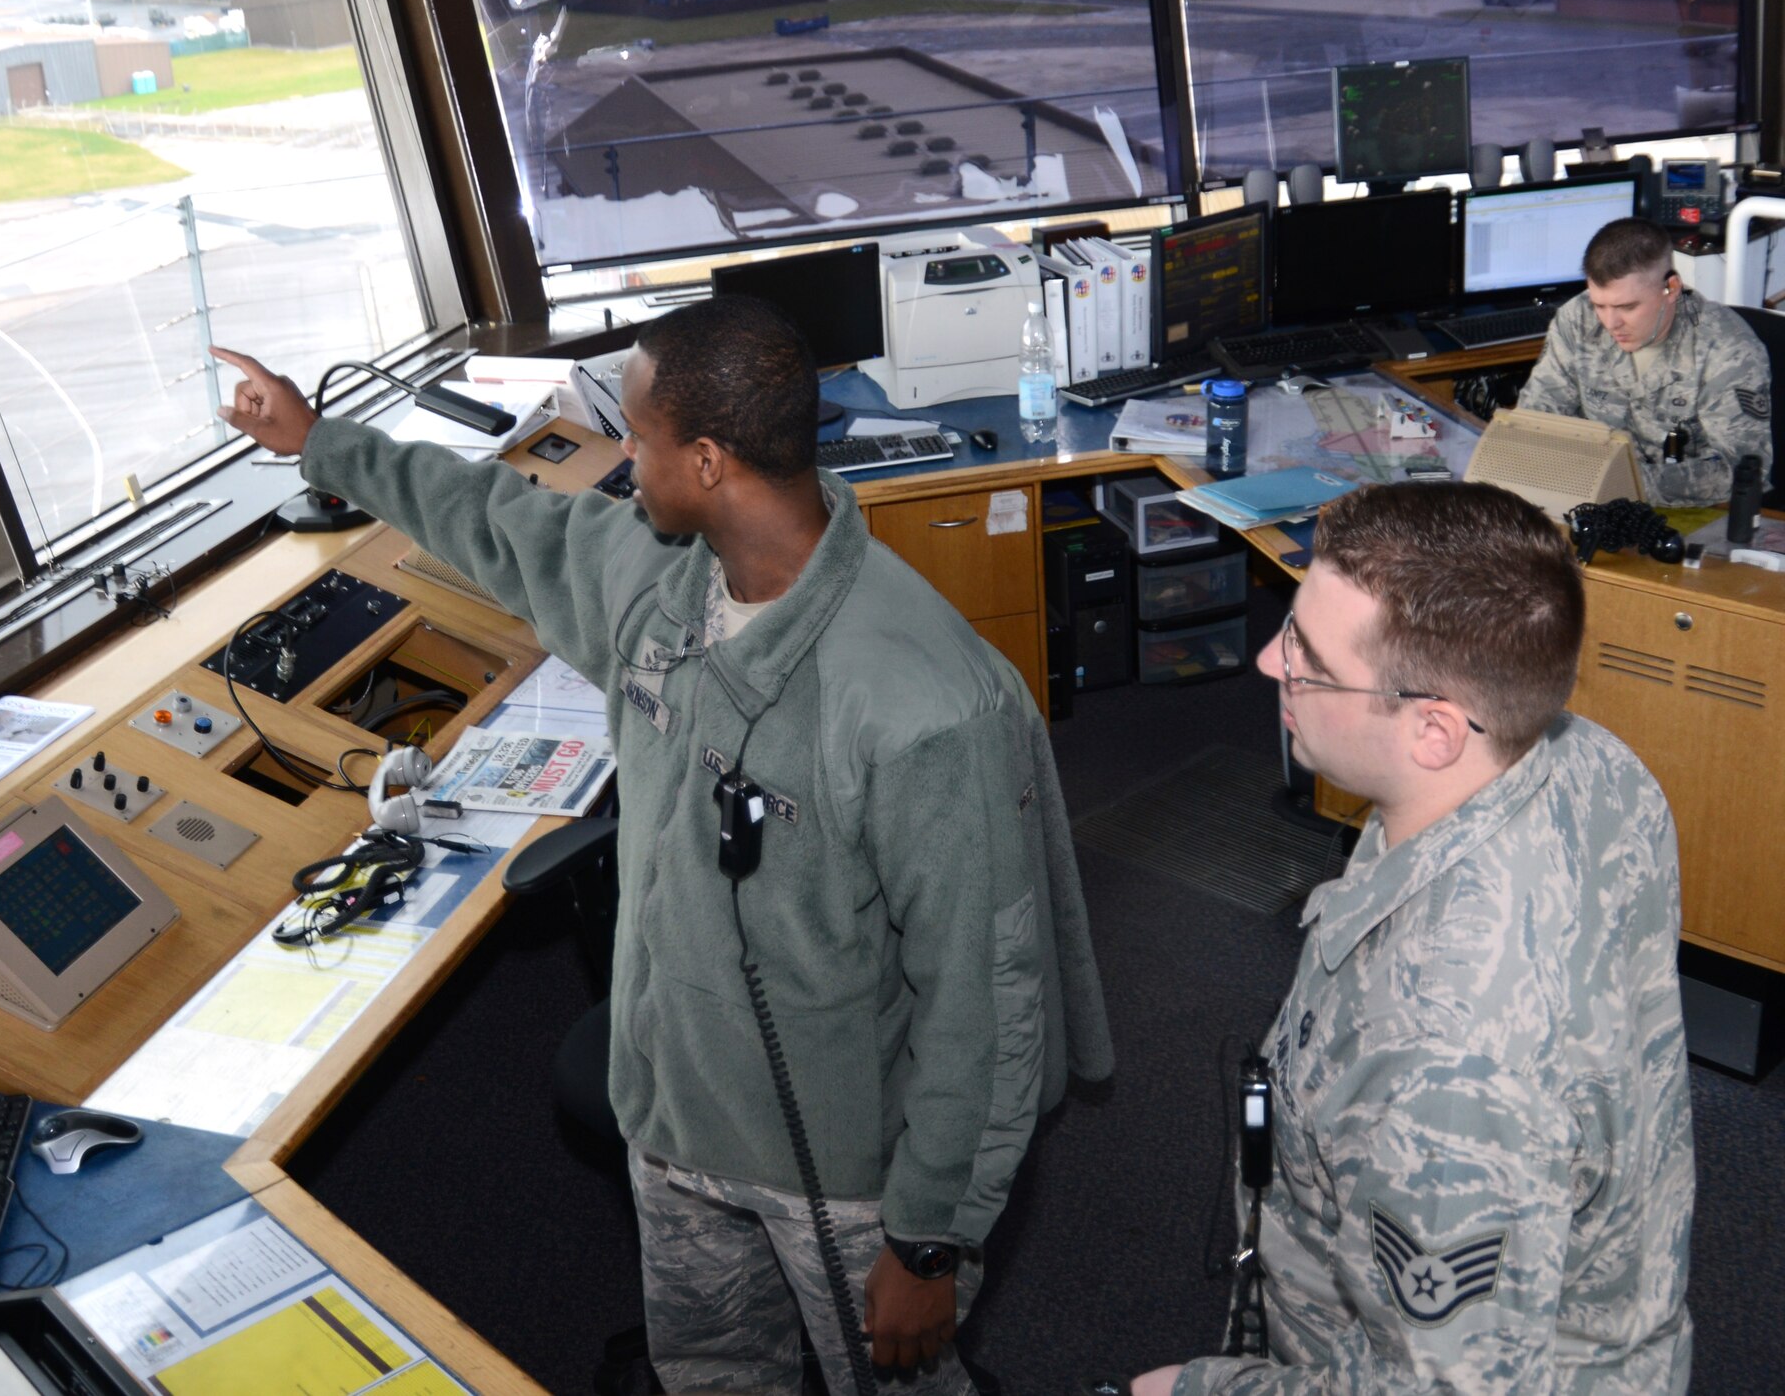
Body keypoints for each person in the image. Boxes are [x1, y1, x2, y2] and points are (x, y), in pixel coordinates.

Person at [212, 298, 1113, 1394]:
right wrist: (318, 441)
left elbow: (985, 996)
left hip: (842, 1168)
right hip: (672, 1113)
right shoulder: (662, 584)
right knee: (713, 1376)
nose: (622, 462)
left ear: (704, 459)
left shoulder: (922, 702)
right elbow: (496, 517)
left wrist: (928, 1241)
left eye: (635, 440)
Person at [1133, 481, 1694, 1396]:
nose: (1272, 664)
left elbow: (1441, 1386)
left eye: (1309, 661)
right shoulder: (1590, 761)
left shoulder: (1447, 1066)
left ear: (1434, 729)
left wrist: (1196, 1390)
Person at [1518, 216, 1770, 505]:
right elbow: (1534, 421)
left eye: (1627, 307)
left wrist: (1626, 483)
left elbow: (1744, 470)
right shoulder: (1578, 319)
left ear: (1671, 288)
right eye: (1600, 304)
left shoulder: (1726, 348)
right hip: (1591, 503)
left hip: (1696, 515)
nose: (1611, 322)